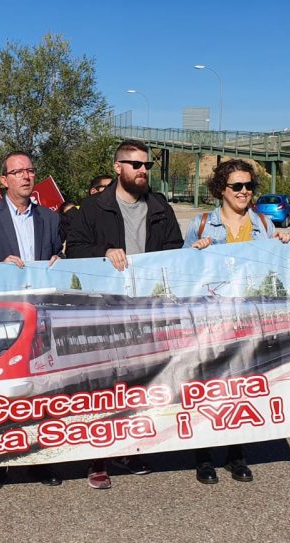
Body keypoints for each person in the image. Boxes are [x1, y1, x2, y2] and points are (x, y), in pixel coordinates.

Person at [66, 139, 184, 488]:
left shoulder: (160, 207)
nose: (143, 170)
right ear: (118, 167)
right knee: (103, 385)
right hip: (105, 313)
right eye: (135, 164)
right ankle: (96, 458)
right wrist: (105, 251)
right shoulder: (92, 208)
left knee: (139, 384)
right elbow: (74, 249)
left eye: (147, 165)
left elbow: (174, 250)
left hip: (146, 313)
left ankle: (130, 449)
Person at [182, 158, 290, 485]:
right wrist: (195, 252)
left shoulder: (264, 225)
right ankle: (204, 457)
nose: (244, 192)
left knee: (241, 388)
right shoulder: (201, 225)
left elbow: (275, 271)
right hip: (210, 322)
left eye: (249, 186)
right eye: (237, 186)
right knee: (209, 387)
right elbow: (182, 273)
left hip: (250, 322)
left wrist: (282, 247)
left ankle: (236, 454)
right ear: (221, 189)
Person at [0, 151, 63, 491]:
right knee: (1, 392)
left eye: (30, 170)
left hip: (41, 318)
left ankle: (39, 459)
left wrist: (59, 259)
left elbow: (61, 257)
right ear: (3, 180)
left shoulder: (50, 218)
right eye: (17, 171)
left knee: (39, 389)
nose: (25, 176)